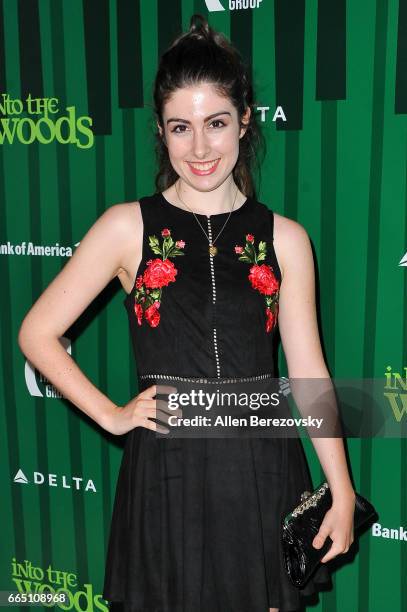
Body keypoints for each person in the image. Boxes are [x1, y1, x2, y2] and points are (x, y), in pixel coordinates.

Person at [18, 14, 356, 612]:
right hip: (166, 478)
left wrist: (342, 489)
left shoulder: (286, 239)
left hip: (262, 473)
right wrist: (113, 416)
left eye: (216, 123)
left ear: (245, 119)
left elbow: (309, 375)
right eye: (181, 127)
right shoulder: (127, 227)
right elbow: (37, 333)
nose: (199, 148)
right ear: (161, 130)